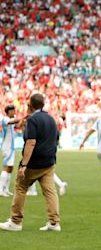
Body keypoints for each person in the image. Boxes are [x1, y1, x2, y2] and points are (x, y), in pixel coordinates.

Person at [0, 93, 61, 232]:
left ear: (30, 105)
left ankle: (15, 222)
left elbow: (31, 142)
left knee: (21, 188)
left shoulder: (33, 119)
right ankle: (54, 223)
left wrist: (24, 164)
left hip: (34, 163)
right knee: (50, 191)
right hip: (49, 162)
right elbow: (56, 139)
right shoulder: (51, 118)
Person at [0, 105, 24, 197]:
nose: (14, 112)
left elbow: (17, 126)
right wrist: (23, 118)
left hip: (11, 147)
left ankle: (5, 189)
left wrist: (23, 121)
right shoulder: (5, 119)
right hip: (7, 147)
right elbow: (13, 122)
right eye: (12, 111)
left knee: (10, 168)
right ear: (8, 112)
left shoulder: (9, 120)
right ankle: (0, 189)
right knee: (6, 168)